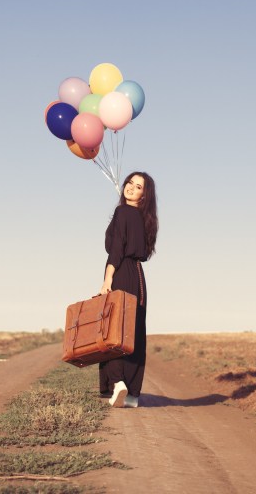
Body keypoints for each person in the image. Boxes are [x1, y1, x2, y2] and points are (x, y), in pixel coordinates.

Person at [98, 171, 158, 408]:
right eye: (130, 183)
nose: (132, 187)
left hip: (121, 272)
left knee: (112, 330)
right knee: (134, 332)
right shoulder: (145, 219)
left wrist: (107, 280)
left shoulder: (123, 212)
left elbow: (116, 250)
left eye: (139, 186)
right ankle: (133, 393)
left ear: (144, 196)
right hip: (139, 279)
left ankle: (118, 382)